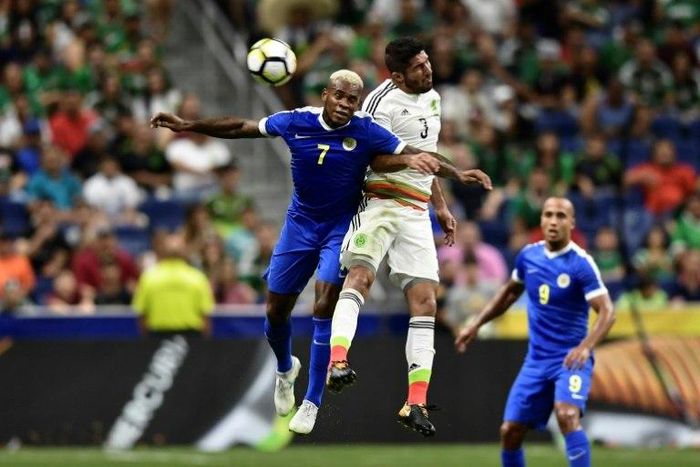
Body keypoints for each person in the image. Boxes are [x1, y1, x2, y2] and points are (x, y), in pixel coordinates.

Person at [150, 69, 484, 435]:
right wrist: (187, 125)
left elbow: (417, 155)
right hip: (300, 225)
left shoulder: (366, 129)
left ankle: (311, 402)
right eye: (339, 96)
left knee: (325, 302)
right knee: (276, 311)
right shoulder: (297, 121)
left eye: (352, 99)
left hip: (340, 225)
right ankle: (284, 368)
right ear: (326, 94)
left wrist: (459, 174)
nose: (345, 104)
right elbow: (239, 127)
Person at [326, 38, 492, 437]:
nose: (427, 69)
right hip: (381, 201)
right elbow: (369, 155)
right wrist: (409, 159)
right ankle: (338, 360)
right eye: (417, 67)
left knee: (426, 302)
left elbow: (427, 157)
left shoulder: (433, 98)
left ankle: (414, 402)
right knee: (361, 277)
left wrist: (440, 205)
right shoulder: (380, 102)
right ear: (397, 75)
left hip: (417, 210)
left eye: (427, 61)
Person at [454, 197, 616, 467]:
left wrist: (585, 346)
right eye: (548, 215)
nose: (553, 221)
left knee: (566, 415)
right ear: (541, 220)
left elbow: (608, 312)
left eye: (561, 216)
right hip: (537, 360)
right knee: (510, 432)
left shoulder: (580, 263)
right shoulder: (529, 256)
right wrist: (476, 324)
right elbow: (507, 295)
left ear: (572, 222)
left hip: (570, 359)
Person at [132, 233, 214, 337]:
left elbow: (141, 314)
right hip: (191, 338)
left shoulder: (149, 277)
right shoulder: (198, 278)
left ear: (163, 252)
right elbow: (206, 316)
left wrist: (147, 341)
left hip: (157, 338)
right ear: (184, 252)